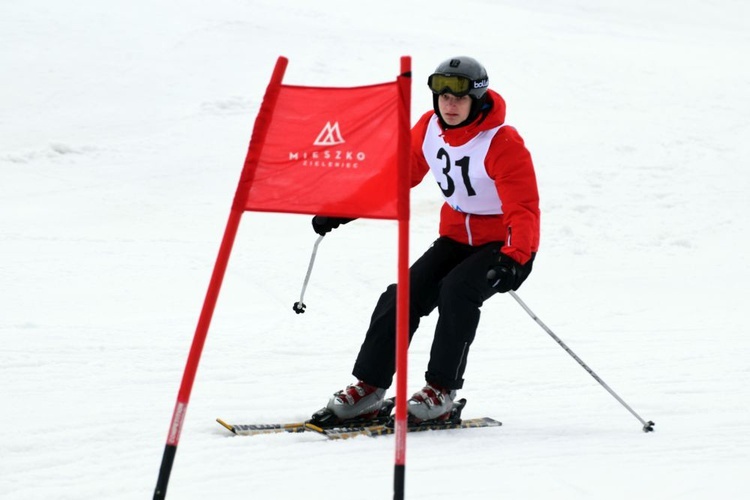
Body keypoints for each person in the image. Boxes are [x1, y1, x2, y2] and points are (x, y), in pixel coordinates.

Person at [311, 56, 540, 423]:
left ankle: (441, 391)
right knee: (401, 295)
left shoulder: (502, 141)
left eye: (459, 98)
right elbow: (397, 178)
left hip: (502, 245)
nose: (449, 105)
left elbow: (523, 207)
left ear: (477, 99)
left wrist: (515, 258)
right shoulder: (430, 128)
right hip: (455, 238)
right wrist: (344, 208)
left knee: (457, 290)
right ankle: (369, 387)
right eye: (442, 96)